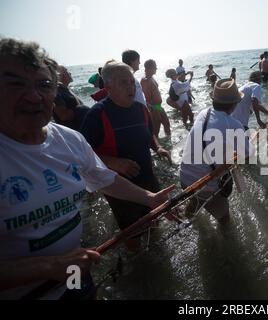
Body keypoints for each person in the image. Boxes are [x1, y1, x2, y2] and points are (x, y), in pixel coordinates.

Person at [0, 38, 174, 300]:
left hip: (75, 275)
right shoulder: (97, 115)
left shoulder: (68, 140)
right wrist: (47, 267)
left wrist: (150, 198)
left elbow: (105, 179)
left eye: (44, 85)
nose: (34, 95)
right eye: (16, 83)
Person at [81, 61, 172, 252]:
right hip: (120, 187)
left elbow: (149, 135)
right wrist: (114, 162)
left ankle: (157, 254)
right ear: (108, 87)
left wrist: (158, 148)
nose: (131, 87)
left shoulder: (141, 109)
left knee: (154, 218)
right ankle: (139, 265)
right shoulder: (97, 115)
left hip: (147, 176)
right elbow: (83, 155)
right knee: (132, 231)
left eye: (132, 82)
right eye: (124, 83)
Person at [180, 79, 251, 225]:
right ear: (234, 105)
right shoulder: (234, 124)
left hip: (185, 177)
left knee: (194, 202)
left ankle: (187, 219)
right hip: (206, 185)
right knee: (224, 220)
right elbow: (248, 155)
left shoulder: (203, 113)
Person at [53, 65, 89, 132]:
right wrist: (81, 110)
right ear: (61, 75)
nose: (70, 73)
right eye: (67, 71)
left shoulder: (66, 89)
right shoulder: (57, 92)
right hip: (72, 131)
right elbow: (63, 116)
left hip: (81, 128)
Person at [141, 59, 171, 137]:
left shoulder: (151, 78)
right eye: (155, 67)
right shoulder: (145, 80)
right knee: (156, 130)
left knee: (167, 124)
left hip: (158, 106)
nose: (156, 68)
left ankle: (169, 144)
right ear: (149, 68)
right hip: (154, 107)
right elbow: (147, 97)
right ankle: (156, 147)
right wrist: (154, 109)